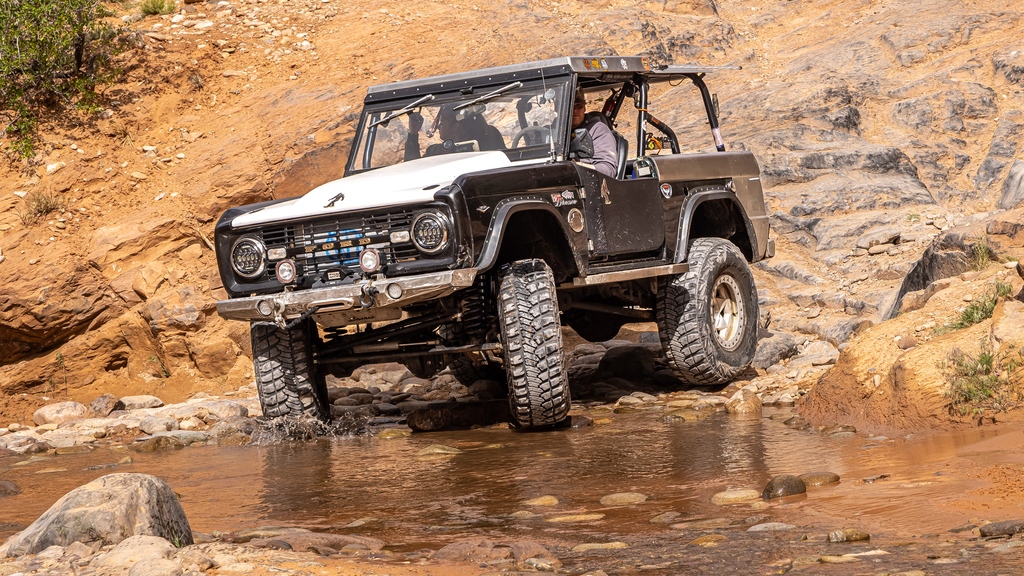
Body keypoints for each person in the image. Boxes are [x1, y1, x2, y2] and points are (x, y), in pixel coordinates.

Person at [572, 89, 618, 178]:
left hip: (588, 184)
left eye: (578, 106)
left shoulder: (597, 130)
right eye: (570, 106)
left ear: (584, 108)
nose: (574, 110)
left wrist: (576, 167)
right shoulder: (553, 133)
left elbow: (608, 169)